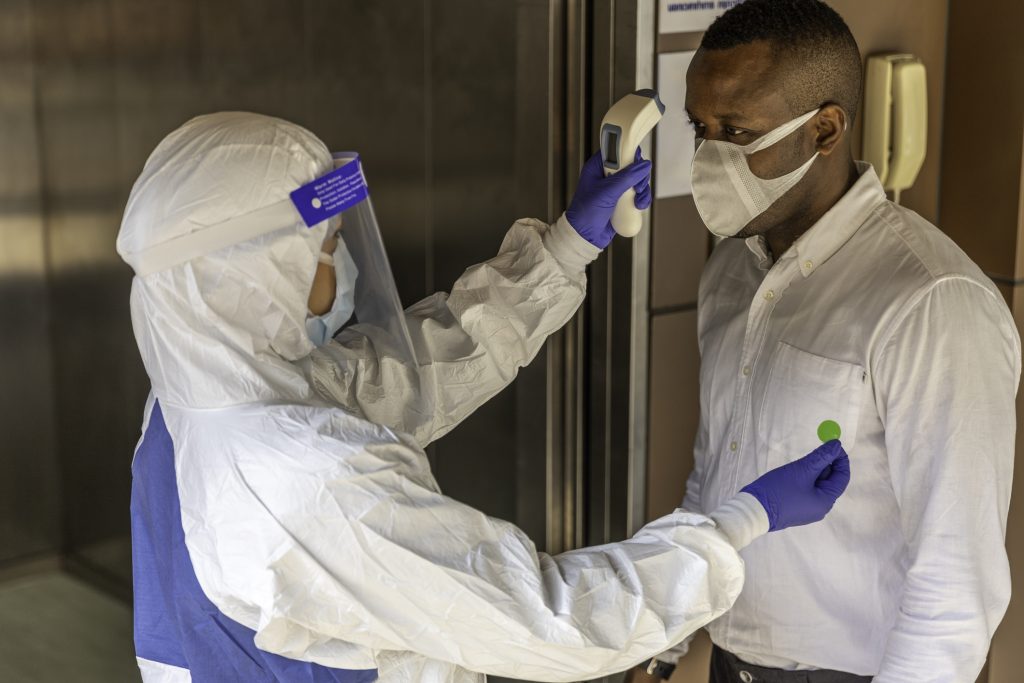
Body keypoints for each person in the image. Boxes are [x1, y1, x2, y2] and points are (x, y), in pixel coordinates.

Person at [118, 111, 849, 683]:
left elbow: (407, 374)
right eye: (326, 247)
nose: (338, 268)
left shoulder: (196, 405)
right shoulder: (301, 479)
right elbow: (547, 617)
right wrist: (739, 525)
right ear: (250, 273)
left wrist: (563, 249)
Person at [627, 1, 1021, 682]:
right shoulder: (731, 273)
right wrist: (658, 644)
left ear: (825, 129)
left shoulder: (929, 302)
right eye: (702, 129)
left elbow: (955, 584)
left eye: (736, 131)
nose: (710, 156)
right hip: (732, 662)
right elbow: (713, 473)